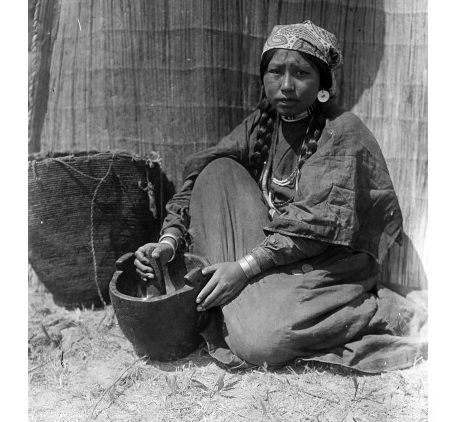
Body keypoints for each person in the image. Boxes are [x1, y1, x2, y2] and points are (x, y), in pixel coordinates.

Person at [134, 20, 427, 373]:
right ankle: (238, 299)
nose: (286, 85)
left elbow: (317, 229)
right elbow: (198, 177)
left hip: (326, 261)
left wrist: (242, 269)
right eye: (276, 72)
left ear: (323, 85)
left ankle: (377, 311)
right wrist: (169, 240)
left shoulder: (344, 133)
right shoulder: (262, 123)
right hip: (271, 249)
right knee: (217, 170)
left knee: (259, 344)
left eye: (301, 73)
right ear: (264, 77)